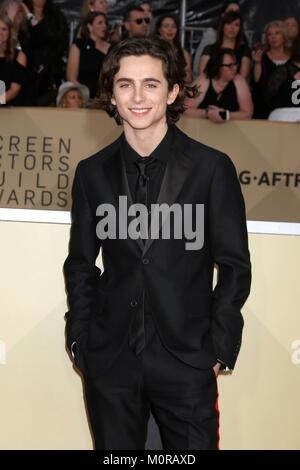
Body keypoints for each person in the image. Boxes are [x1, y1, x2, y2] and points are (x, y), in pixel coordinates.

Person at [63, 37, 251, 450]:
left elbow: (235, 265)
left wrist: (218, 345)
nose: (138, 96)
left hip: (187, 359)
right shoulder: (92, 173)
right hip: (111, 362)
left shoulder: (211, 168)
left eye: (151, 83)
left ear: (173, 91)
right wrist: (80, 338)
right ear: (111, 94)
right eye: (125, 84)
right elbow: (80, 263)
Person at [185, 48, 253, 122]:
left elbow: (248, 114)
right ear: (218, 67)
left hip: (232, 129)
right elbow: (185, 109)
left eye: (235, 64)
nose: (235, 68)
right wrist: (207, 113)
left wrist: (225, 115)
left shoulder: (239, 80)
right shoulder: (203, 80)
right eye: (229, 65)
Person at [67, 11, 110, 98]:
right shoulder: (79, 45)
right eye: (100, 23)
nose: (104, 26)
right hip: (84, 98)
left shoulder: (111, 47)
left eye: (105, 23)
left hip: (106, 97)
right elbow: (71, 77)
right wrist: (85, 95)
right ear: (89, 26)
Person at [198, 10, 251, 80]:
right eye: (229, 23)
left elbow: (242, 78)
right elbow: (202, 77)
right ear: (222, 26)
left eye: (236, 25)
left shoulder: (245, 50)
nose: (232, 28)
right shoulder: (209, 49)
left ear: (240, 29)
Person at [155, 14, 192, 83]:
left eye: (173, 26)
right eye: (166, 26)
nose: (170, 29)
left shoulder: (184, 53)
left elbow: (188, 78)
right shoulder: (154, 51)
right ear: (159, 30)